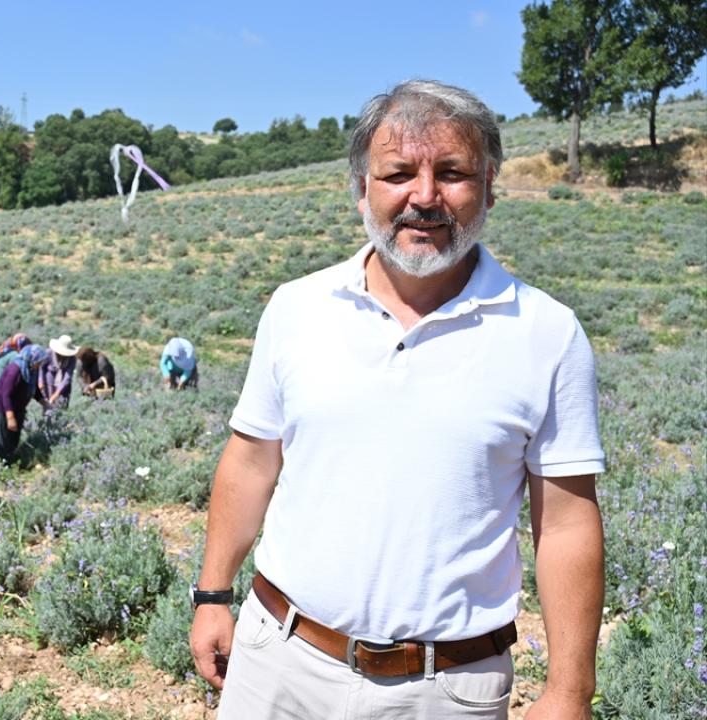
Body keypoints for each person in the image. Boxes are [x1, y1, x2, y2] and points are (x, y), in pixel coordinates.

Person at [189, 80, 606, 719]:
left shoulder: (547, 334)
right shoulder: (297, 307)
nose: (424, 197)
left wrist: (569, 691)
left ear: (490, 186)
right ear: (362, 188)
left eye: (452, 173)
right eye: (398, 173)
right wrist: (213, 594)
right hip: (277, 660)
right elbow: (251, 461)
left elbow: (569, 523)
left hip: (444, 690)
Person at [0, 344, 50, 465]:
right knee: (1, 434)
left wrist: (45, 403)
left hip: (16, 406)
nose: (40, 365)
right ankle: (3, 464)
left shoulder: (31, 370)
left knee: (14, 434)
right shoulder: (15, 369)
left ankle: (11, 458)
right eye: (39, 362)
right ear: (32, 358)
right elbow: (6, 394)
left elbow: (34, 389)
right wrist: (10, 417)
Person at [39, 335, 79, 411]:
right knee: (48, 406)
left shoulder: (72, 359)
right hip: (49, 384)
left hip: (64, 387)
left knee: (62, 408)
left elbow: (67, 377)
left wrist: (57, 393)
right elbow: (41, 367)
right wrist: (40, 381)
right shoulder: (48, 353)